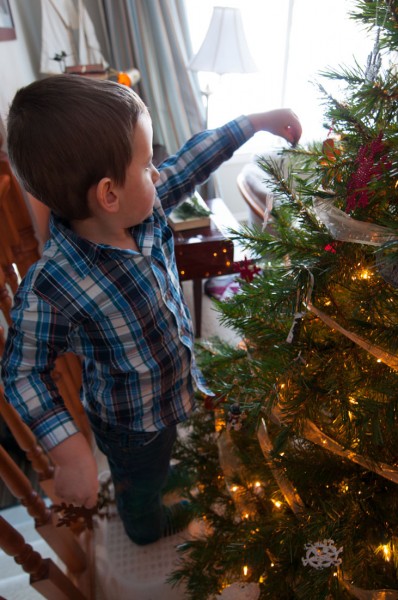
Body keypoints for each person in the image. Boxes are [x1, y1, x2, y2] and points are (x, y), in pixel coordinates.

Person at [1, 74, 301, 545]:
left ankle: (159, 476)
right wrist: (70, 452)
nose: (158, 174)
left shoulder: (142, 211)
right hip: (128, 423)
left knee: (166, 452)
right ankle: (143, 520)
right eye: (146, 166)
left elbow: (189, 162)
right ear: (108, 194)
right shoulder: (53, 284)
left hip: (174, 381)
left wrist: (253, 123)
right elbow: (22, 372)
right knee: (140, 476)